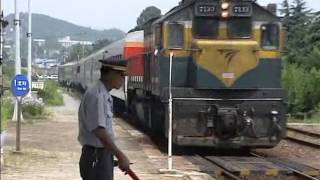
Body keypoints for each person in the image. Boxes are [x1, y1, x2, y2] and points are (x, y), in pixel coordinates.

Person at [78, 58, 130, 180]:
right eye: (121, 75)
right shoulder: (98, 95)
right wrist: (120, 155)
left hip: (100, 155)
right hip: (96, 156)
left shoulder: (103, 94)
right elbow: (99, 130)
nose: (123, 79)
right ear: (110, 73)